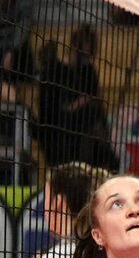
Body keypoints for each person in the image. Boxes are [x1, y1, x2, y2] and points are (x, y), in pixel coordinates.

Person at [38, 25, 118, 171]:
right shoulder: (57, 70)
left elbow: (95, 102)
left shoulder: (88, 72)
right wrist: (79, 103)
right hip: (61, 129)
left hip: (83, 128)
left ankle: (102, 163)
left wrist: (84, 102)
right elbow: (56, 108)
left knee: (95, 121)